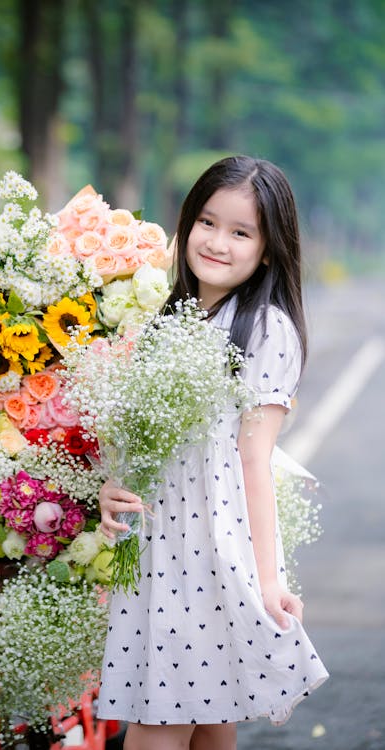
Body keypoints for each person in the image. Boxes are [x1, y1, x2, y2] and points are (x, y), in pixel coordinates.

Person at [96, 155, 329, 750]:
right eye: (207, 221)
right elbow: (148, 443)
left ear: (270, 249)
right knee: (205, 719)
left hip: (208, 553)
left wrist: (268, 580)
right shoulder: (171, 320)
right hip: (158, 547)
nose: (217, 242)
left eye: (241, 231)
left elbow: (254, 462)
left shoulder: (264, 327)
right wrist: (112, 488)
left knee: (159, 723)